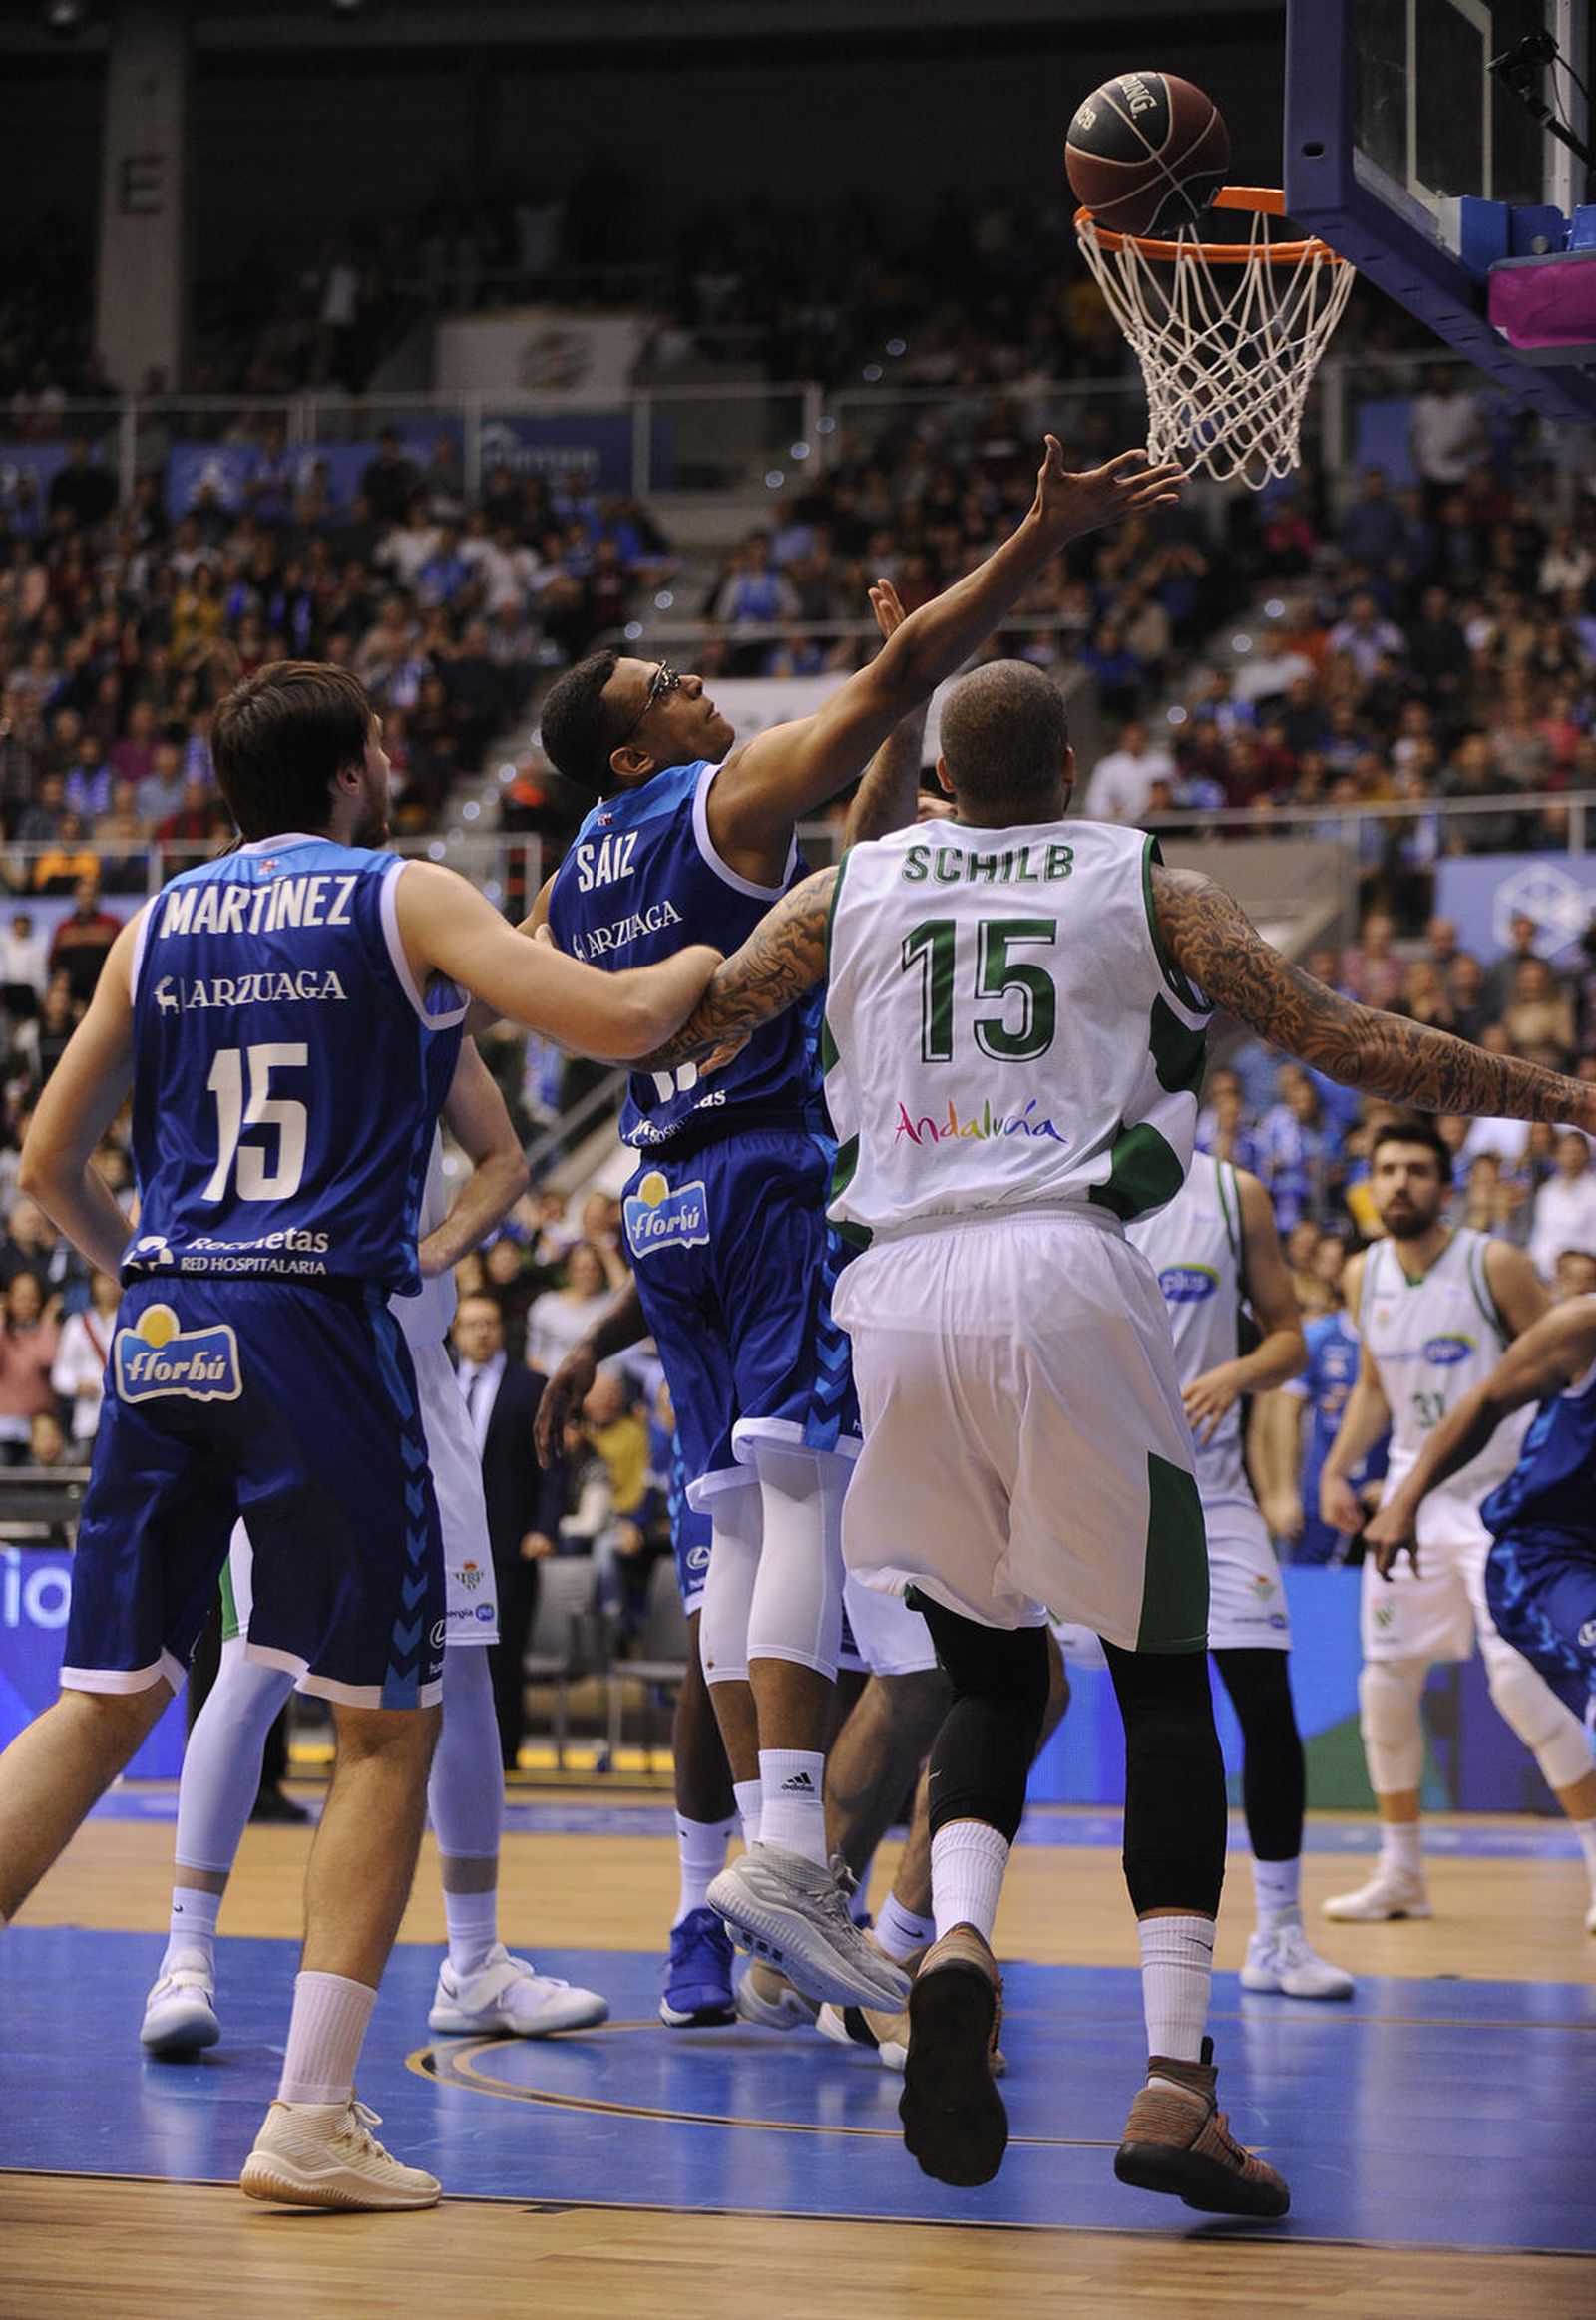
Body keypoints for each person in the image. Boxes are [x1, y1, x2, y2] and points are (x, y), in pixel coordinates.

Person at [636, 654, 1596, 2210]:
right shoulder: (1149, 881)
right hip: (1071, 1274)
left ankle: (951, 1937)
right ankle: (1175, 2081)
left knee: (990, 1669)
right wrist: (1566, 1096)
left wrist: (527, 960)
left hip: (890, 1294)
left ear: (942, 774)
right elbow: (1354, 1042)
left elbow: (687, 1017)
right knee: (1158, 1679)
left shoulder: (854, 890)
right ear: (1072, 767)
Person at [0, 658, 718, 2213]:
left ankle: (263, 2025)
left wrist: (140, 1270)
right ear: (353, 771)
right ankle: (311, 2113)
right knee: (388, 1719)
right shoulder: (403, 892)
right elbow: (612, 1017)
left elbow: (48, 1156)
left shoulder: (158, 918)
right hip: (315, 1322)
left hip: (171, 1321)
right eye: (386, 742)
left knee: (103, 1699)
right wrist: (732, 951)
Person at [535, 437, 1184, 2014]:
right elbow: (899, 678)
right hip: (772, 1179)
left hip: (661, 1196)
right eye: (667, 681)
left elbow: (854, 887)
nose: (700, 683)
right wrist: (1034, 530)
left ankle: (718, 1902)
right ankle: (789, 1859)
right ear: (637, 752)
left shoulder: (570, 880)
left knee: (730, 1540)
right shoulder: (714, 795)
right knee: (804, 1493)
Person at [137, 1051, 607, 2064]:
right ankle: (183, 1956)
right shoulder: (307, 970)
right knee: (253, 1667)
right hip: (296, 1362)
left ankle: (472, 1958)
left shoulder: (399, 978)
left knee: (463, 1666)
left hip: (390, 1369)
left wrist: (432, 1251)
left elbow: (504, 1154)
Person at [1057, 1155, 1354, 2002]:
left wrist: (1238, 1372)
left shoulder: (1233, 1192)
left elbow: (1291, 1337)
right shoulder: (1059, 1169)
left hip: (1212, 1497)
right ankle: (934, 1937)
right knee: (1015, 1700)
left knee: (1265, 1706)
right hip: (1088, 1494)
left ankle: (1282, 1937)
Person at [1318, 1120, 1596, 1927]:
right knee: (1385, 1684)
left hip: (1502, 1495)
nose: (1399, 1182)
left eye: (1416, 1169)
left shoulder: (1493, 1263)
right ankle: (1401, 1871)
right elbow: (1374, 1384)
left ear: (1445, 1185)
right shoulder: (1363, 1274)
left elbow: (1561, 1369)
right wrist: (1340, 1467)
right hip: (1410, 1489)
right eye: (1387, 1169)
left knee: (1519, 1681)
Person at [1364, 1291, 1596, 1834]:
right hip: (1551, 1551)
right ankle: (1399, 1868)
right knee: (1405, 1681)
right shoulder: (1581, 1325)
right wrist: (1406, 1499)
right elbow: (1487, 1401)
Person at [454, 1290, 566, 1774]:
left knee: (504, 1654)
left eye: (490, 1322)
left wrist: (544, 1526)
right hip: (449, 1542)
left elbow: (553, 1466)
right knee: (450, 1653)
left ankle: (503, 1755)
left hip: (510, 1540)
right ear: (455, 1333)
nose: (482, 1332)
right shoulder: (437, 1385)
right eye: (472, 1324)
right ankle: (452, 1753)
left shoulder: (529, 1386)